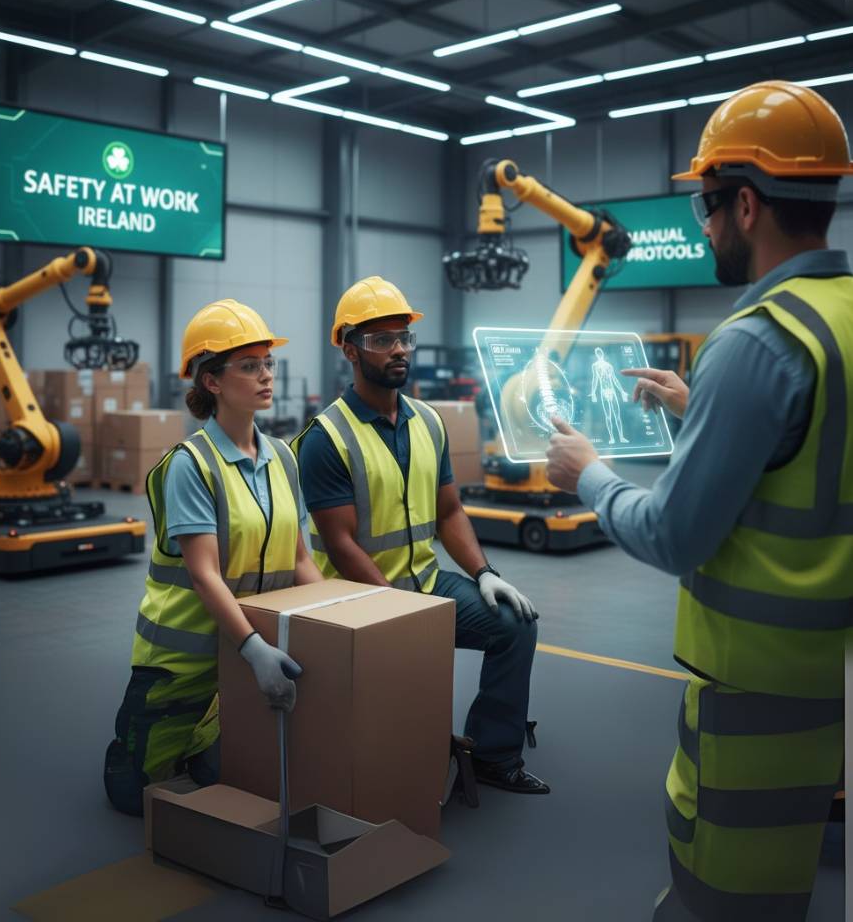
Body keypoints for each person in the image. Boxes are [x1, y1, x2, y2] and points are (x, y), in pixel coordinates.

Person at [544, 81, 853, 920]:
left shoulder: (756, 341)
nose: (706, 228)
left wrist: (590, 473)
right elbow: (819, 452)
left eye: (707, 210)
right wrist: (703, 409)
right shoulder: (840, 319)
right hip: (835, 674)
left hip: (756, 685)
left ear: (746, 204)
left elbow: (675, 534)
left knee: (729, 889)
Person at [294, 275, 548, 794]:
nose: (398, 350)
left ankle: (496, 755)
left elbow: (450, 511)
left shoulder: (429, 422)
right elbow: (341, 545)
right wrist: (400, 614)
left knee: (515, 625)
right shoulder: (326, 439)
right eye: (381, 340)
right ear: (350, 350)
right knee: (393, 700)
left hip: (426, 585)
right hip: (354, 600)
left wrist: (483, 573)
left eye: (404, 338)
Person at [104, 299, 322, 816]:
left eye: (268, 363)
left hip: (243, 656)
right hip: (183, 661)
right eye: (249, 366)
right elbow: (203, 575)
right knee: (131, 795)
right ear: (212, 382)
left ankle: (207, 740)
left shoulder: (283, 458)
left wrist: (339, 621)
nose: (266, 375)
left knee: (231, 772)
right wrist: (253, 649)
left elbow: (302, 561)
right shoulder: (191, 465)